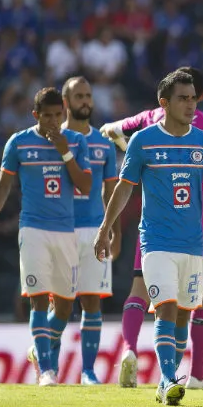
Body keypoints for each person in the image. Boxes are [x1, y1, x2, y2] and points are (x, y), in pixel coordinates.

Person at [94, 70, 203, 405]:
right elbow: (124, 189)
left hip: (194, 245)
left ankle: (167, 373)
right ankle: (168, 379)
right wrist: (105, 228)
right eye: (183, 99)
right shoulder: (143, 141)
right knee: (166, 308)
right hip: (156, 242)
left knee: (184, 313)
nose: (191, 105)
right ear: (164, 103)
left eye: (193, 98)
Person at [0, 87, 92, 386]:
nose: (53, 121)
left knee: (65, 306)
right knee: (38, 301)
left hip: (66, 230)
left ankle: (38, 348)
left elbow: (85, 186)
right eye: (47, 116)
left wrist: (64, 150)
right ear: (35, 115)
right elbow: (3, 185)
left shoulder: (77, 141)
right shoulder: (18, 142)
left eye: (58, 115)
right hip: (32, 230)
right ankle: (47, 370)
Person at [61, 76, 121, 385]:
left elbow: (113, 192)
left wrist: (116, 232)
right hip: (58, 229)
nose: (85, 100)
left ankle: (87, 371)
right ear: (66, 102)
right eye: (78, 96)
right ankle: (46, 362)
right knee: (54, 301)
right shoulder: (53, 140)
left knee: (92, 300)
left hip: (94, 230)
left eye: (88, 95)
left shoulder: (103, 143)